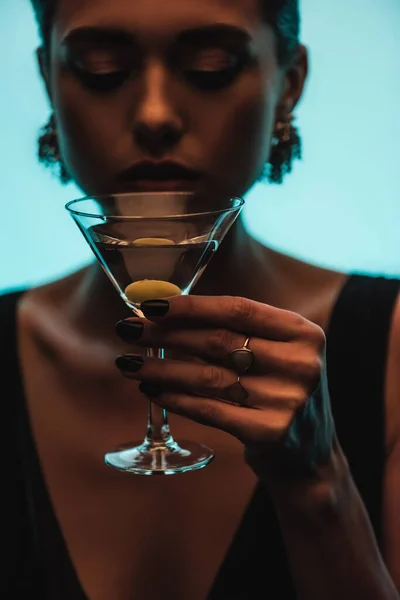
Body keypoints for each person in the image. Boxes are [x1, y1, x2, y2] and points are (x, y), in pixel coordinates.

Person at [1, 0, 399, 598]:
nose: (155, 115)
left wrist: (319, 487)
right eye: (101, 67)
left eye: (211, 67)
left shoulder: (392, 343)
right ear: (47, 82)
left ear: (288, 85)